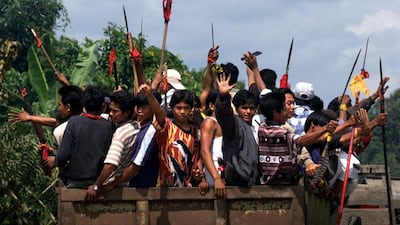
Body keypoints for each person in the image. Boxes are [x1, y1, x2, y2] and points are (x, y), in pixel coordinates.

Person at [47, 86, 113, 188]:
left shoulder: (74, 123)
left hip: (75, 182)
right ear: (103, 106)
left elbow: (63, 156)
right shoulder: (109, 126)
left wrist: (55, 160)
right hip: (99, 181)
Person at [99, 86, 163, 192]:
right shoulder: (138, 126)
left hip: (142, 187)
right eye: (137, 106)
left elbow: (136, 166)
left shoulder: (150, 131)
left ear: (153, 107)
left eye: (144, 107)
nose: (139, 110)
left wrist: (112, 184)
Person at [86, 90, 138, 200]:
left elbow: (111, 164)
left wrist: (97, 185)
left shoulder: (121, 134)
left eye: (115, 111)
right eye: (110, 110)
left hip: (114, 188)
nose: (111, 114)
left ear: (127, 112)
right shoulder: (136, 126)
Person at [215, 70, 259, 187]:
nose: (248, 111)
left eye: (251, 108)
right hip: (237, 184)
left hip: (255, 183)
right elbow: (224, 114)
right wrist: (223, 97)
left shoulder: (257, 126)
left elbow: (255, 91)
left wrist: (252, 71)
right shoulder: (234, 124)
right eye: (244, 108)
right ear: (237, 108)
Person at [152, 87, 200, 187]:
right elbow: (159, 112)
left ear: (191, 109)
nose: (182, 112)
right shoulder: (167, 126)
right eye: (178, 108)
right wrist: (148, 94)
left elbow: (196, 160)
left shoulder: (195, 132)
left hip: (186, 187)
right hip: (164, 187)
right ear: (172, 108)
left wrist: (198, 174)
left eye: (186, 108)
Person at [199, 89, 225, 197]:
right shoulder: (210, 122)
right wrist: (216, 178)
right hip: (215, 177)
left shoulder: (226, 123)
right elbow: (204, 151)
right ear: (212, 106)